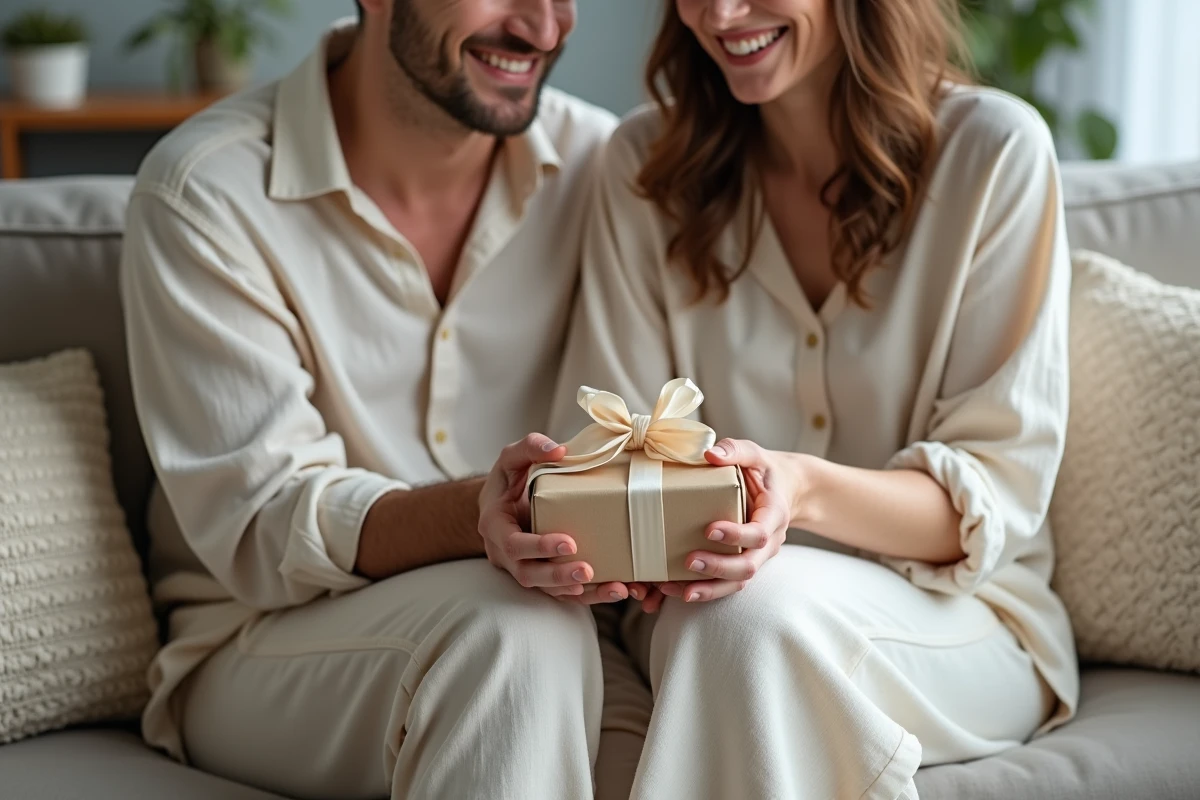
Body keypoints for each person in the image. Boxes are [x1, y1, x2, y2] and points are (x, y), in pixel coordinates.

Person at [481, 0, 1080, 797]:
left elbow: (985, 500)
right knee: (719, 615)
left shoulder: (994, 156)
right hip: (695, 620)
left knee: (738, 618)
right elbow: (616, 451)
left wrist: (796, 489)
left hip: (957, 618)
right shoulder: (644, 167)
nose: (720, 14)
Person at [119, 1, 635, 797]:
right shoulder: (205, 193)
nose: (543, 26)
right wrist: (479, 514)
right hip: (271, 635)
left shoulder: (601, 165)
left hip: (565, 631)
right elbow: (265, 521)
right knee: (510, 638)